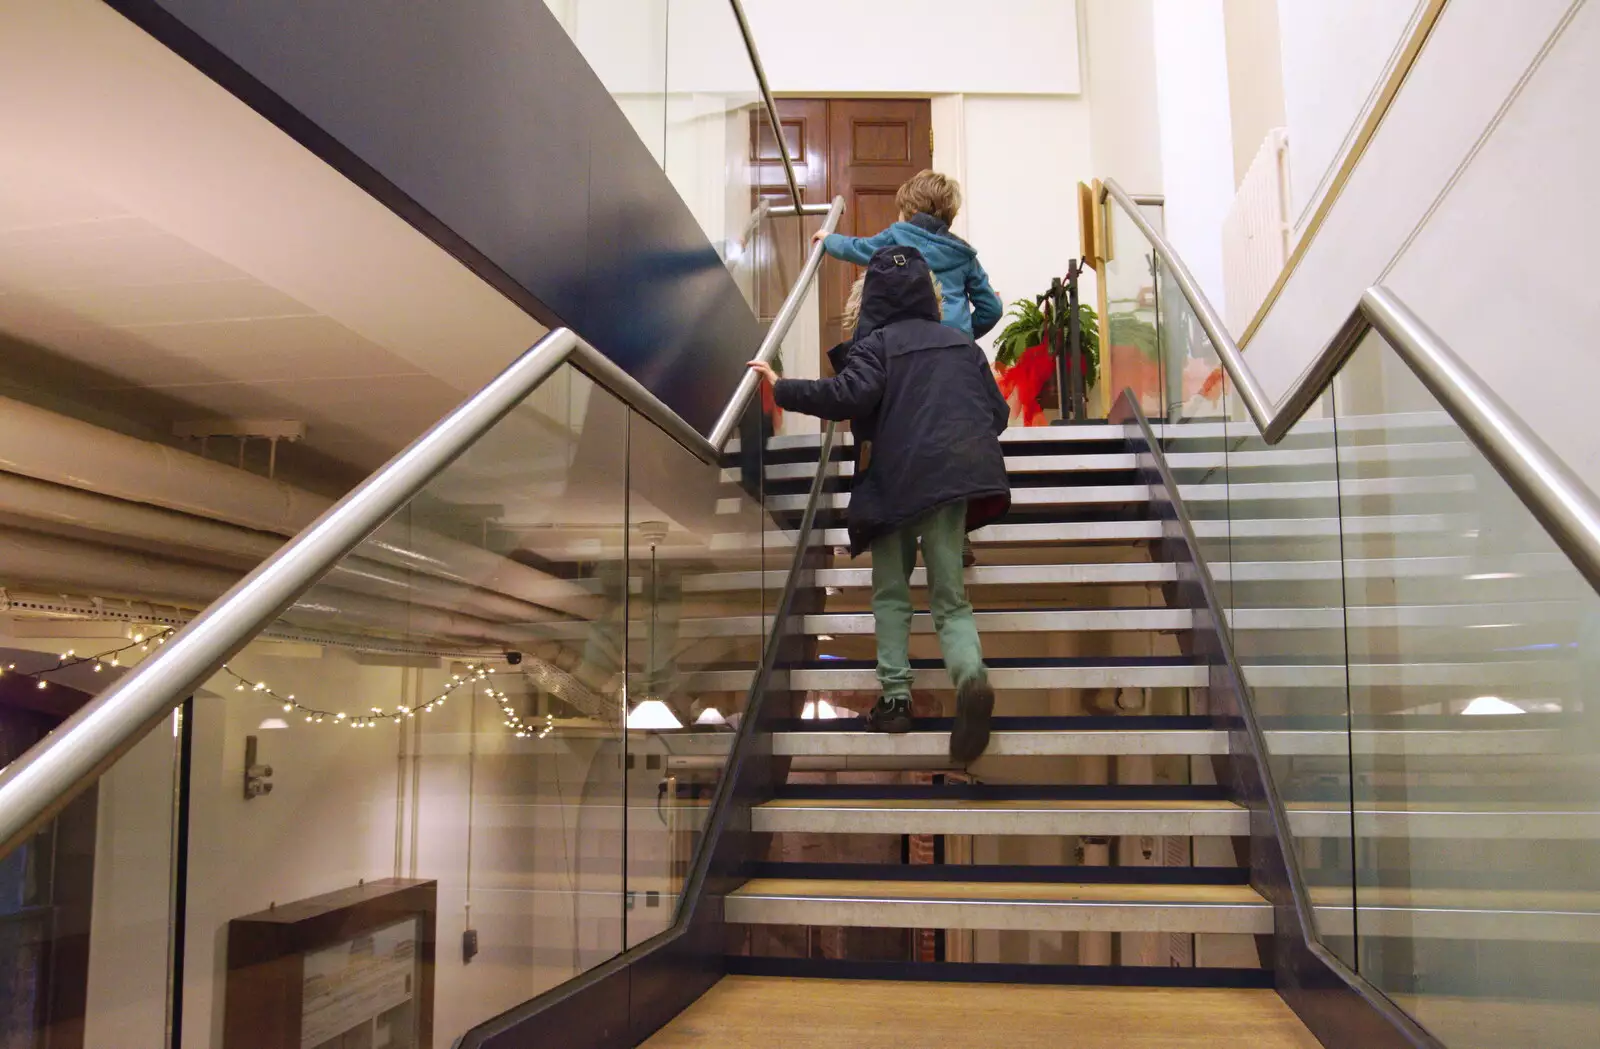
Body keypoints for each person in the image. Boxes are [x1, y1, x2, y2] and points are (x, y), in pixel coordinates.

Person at [747, 246, 1011, 763]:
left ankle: (895, 700)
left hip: (895, 484)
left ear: (873, 299)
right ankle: (971, 678)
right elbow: (996, 414)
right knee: (949, 598)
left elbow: (847, 397)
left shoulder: (877, 346)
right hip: (954, 483)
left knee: (892, 595)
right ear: (927, 294)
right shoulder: (963, 347)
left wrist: (784, 389)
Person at [814, 169, 999, 567]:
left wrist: (828, 241)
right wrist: (964, 335)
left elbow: (861, 249)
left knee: (909, 436)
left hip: (910, 356)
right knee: (954, 442)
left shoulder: (899, 238)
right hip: (954, 360)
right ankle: (956, 531)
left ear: (908, 207)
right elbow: (992, 308)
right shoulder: (964, 254)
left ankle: (903, 524)